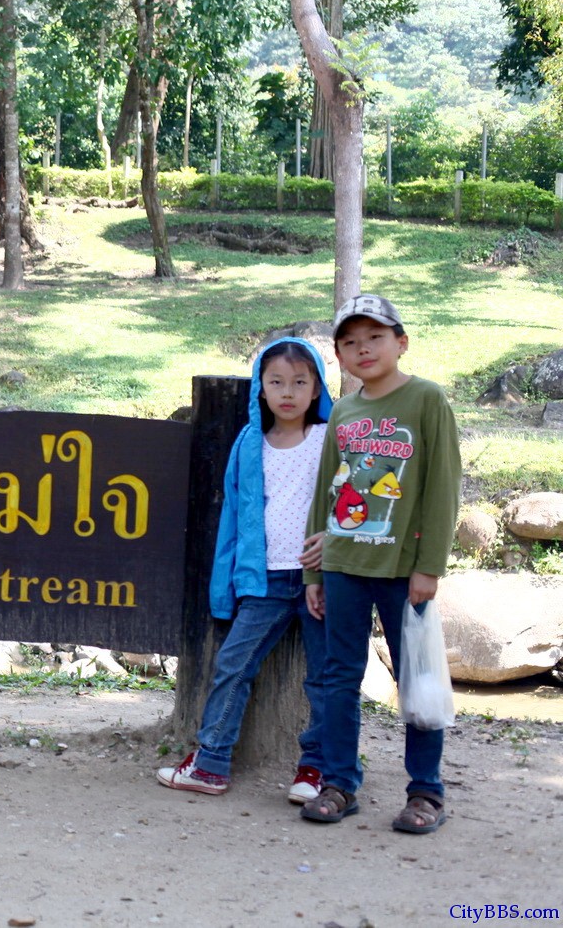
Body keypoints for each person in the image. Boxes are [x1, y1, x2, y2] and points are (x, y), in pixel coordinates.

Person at [298, 293, 460, 834]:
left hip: (402, 571)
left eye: (375, 338)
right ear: (339, 356)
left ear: (401, 342)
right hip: (344, 565)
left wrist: (429, 566)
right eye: (350, 342)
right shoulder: (344, 410)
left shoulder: (427, 400)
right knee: (339, 677)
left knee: (417, 677)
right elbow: (326, 491)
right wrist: (314, 573)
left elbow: (442, 488)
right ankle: (340, 782)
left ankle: (426, 793)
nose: (363, 349)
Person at [158, 337, 333, 802]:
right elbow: (235, 515)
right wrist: (228, 583)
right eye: (276, 382)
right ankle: (211, 762)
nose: (288, 392)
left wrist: (335, 548)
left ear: (316, 388)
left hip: (326, 579)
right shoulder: (250, 443)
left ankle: (317, 770)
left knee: (326, 676)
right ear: (261, 387)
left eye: (300, 382)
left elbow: (355, 501)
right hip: (267, 578)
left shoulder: (328, 439)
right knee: (233, 664)